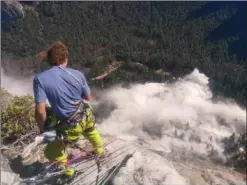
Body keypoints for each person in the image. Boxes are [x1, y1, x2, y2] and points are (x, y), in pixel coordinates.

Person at [33, 41, 104, 177]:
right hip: (86, 114)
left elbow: (40, 111)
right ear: (66, 57)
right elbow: (88, 98)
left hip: (71, 124)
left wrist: (43, 130)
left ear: (49, 60)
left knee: (51, 152)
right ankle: (100, 151)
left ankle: (68, 173)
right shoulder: (77, 74)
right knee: (90, 130)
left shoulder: (40, 79)